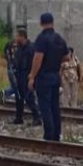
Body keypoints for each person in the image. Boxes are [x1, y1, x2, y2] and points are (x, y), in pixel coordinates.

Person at [29, 12, 69, 141]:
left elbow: (38, 59)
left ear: (41, 23)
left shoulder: (41, 38)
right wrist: (56, 61)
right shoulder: (59, 38)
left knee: (45, 107)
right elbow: (67, 56)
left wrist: (32, 77)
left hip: (44, 76)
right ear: (53, 22)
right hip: (55, 76)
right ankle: (57, 134)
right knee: (54, 106)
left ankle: (49, 135)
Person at [12, 28, 41, 125]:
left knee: (29, 97)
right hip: (19, 75)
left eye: (17, 36)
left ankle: (37, 117)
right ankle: (18, 117)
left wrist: (32, 75)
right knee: (19, 97)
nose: (16, 38)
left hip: (27, 75)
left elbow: (35, 62)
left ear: (22, 36)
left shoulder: (31, 48)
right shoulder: (19, 48)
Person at [0, 35, 18, 105]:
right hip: (14, 66)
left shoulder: (8, 44)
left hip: (9, 65)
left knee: (13, 85)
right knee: (17, 86)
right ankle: (5, 93)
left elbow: (5, 54)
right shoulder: (16, 46)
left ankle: (6, 94)